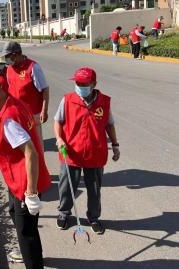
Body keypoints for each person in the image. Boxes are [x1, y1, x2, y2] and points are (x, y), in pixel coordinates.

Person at [0, 77, 51, 269]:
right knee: (14, 212)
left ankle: (33, 262)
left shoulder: (9, 119)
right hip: (15, 178)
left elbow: (30, 152)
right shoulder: (12, 104)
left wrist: (31, 192)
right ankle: (32, 255)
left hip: (25, 181)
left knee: (26, 231)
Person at [54, 67, 120, 234]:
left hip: (95, 153)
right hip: (71, 152)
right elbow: (58, 121)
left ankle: (94, 217)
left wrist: (115, 145)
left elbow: (109, 124)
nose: (80, 86)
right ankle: (64, 213)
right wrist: (59, 138)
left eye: (84, 83)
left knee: (94, 189)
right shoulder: (68, 100)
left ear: (94, 84)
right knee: (67, 186)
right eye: (77, 83)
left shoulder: (104, 102)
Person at [0, 41, 49, 149]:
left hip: (32, 115)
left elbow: (45, 89)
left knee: (36, 148)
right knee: (22, 150)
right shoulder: (9, 69)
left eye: (7, 57)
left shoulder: (33, 67)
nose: (6, 60)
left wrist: (44, 111)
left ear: (15, 55)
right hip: (16, 115)